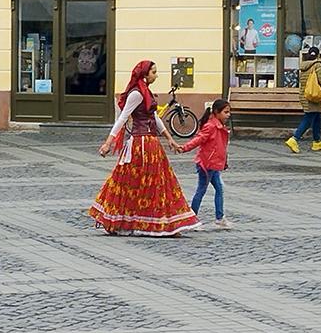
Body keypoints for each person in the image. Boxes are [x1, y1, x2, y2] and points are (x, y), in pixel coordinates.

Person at [89, 60, 199, 237]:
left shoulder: (145, 91)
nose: (156, 75)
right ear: (145, 75)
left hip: (151, 143)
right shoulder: (136, 94)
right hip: (140, 144)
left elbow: (155, 117)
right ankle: (127, 220)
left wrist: (170, 139)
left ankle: (160, 221)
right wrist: (108, 142)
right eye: (154, 72)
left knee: (157, 182)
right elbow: (123, 118)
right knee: (131, 182)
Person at [179, 99, 232, 230]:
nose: (228, 115)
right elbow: (199, 139)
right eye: (226, 112)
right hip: (206, 164)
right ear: (216, 112)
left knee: (219, 189)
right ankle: (192, 219)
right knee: (201, 190)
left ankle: (219, 218)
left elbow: (221, 147)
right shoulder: (211, 126)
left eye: (229, 112)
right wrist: (184, 147)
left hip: (213, 164)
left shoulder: (219, 126)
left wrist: (223, 162)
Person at [285, 46, 321, 153]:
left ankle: (316, 142)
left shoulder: (304, 66)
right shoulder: (318, 65)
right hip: (314, 95)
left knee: (317, 117)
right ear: (318, 55)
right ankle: (294, 139)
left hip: (305, 94)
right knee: (309, 118)